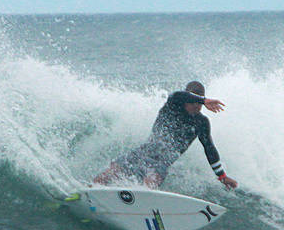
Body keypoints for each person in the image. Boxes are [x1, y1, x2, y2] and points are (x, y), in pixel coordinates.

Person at [94, 81, 238, 190]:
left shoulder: (201, 122)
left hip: (163, 161)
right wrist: (203, 100)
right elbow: (178, 94)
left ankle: (142, 198)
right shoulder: (172, 106)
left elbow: (209, 149)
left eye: (199, 103)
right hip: (146, 151)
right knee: (113, 170)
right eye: (193, 102)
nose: (196, 106)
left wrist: (222, 176)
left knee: (154, 176)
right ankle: (91, 192)